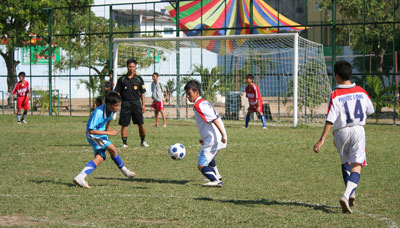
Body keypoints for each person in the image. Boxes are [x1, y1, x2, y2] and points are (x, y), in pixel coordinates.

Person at [313, 60, 374, 214]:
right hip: (357, 130)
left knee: (346, 163)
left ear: (336, 76)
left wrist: (322, 139)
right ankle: (346, 195)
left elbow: (330, 118)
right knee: (357, 166)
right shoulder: (361, 91)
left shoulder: (335, 94)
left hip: (340, 133)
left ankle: (351, 193)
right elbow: (370, 110)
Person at [73, 92, 136, 189]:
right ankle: (125, 171)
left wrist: (107, 129)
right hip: (93, 135)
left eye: (118, 105)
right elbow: (90, 130)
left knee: (100, 157)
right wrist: (109, 133)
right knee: (113, 149)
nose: (117, 108)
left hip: (100, 135)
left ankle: (80, 177)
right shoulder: (98, 113)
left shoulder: (111, 111)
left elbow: (108, 120)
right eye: (116, 105)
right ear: (109, 104)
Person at [184, 80, 227, 187]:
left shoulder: (199, 105)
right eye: (187, 95)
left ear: (197, 92)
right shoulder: (203, 102)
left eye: (190, 94)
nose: (188, 97)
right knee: (210, 158)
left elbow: (214, 119)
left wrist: (223, 135)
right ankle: (217, 174)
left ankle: (215, 180)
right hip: (213, 137)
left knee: (201, 164)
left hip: (214, 138)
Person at [114, 58, 149, 148]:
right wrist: (117, 104)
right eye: (130, 66)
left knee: (141, 124)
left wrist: (143, 105)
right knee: (124, 124)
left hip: (136, 103)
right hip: (125, 103)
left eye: (133, 67)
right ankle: (124, 143)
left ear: (135, 67)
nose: (131, 68)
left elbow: (142, 93)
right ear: (127, 67)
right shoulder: (121, 79)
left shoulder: (139, 79)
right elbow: (117, 92)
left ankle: (143, 141)